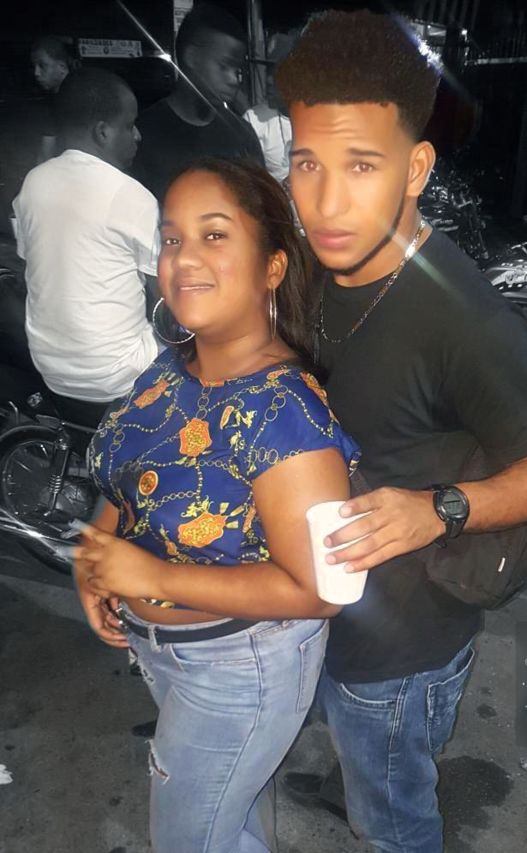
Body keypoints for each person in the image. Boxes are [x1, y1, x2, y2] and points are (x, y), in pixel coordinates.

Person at [276, 10, 527, 852]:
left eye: (360, 165)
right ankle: (356, 780)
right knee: (364, 757)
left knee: (394, 813)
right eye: (307, 163)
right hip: (323, 604)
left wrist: (436, 508)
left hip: (401, 647)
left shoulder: (465, 321)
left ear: (415, 169)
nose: (325, 202)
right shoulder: (314, 266)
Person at [74, 158, 359, 853]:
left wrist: (152, 577)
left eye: (214, 235)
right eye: (171, 239)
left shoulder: (285, 415)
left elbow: (323, 592)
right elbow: (131, 473)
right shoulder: (171, 366)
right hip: (168, 654)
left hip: (238, 669)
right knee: (226, 818)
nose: (184, 258)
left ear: (271, 267)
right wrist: (96, 560)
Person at [12, 68, 161, 428]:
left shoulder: (33, 183)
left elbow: (30, 262)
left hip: (51, 369)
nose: (138, 136)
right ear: (103, 131)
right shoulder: (132, 195)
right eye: (130, 125)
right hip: (117, 377)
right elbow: (164, 295)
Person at [133, 4, 264, 200]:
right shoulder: (141, 136)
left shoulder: (243, 134)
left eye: (237, 70)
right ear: (192, 58)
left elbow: (261, 204)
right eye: (224, 66)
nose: (234, 79)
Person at [244, 35, 293, 183]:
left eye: (278, 74)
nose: (269, 80)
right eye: (268, 72)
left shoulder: (320, 119)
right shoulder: (253, 120)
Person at [31, 35, 80, 162]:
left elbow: (45, 155)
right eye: (34, 66)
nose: (36, 73)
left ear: (62, 67)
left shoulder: (56, 105)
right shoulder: (81, 93)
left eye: (42, 66)